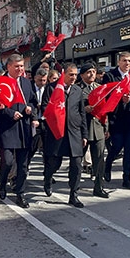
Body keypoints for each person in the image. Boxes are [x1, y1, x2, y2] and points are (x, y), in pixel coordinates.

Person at [0, 54, 38, 209]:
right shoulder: (0, 82)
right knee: (8, 161)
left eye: (22, 66)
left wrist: (31, 110)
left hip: (24, 127)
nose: (20, 69)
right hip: (7, 127)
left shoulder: (26, 83)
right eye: (17, 66)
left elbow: (33, 101)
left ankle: (20, 193)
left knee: (23, 165)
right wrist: (10, 113)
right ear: (8, 66)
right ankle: (2, 183)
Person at [42, 62, 88, 207]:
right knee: (54, 163)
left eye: (75, 75)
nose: (74, 77)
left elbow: (82, 113)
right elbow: (45, 108)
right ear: (64, 74)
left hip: (74, 132)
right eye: (71, 75)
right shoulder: (51, 88)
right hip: (57, 133)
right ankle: (48, 178)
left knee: (76, 165)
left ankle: (73, 195)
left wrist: (84, 134)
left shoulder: (77, 90)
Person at [103, 52, 130, 189]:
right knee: (117, 146)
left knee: (129, 149)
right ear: (119, 62)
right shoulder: (110, 76)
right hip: (116, 118)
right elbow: (107, 96)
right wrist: (120, 100)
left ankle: (127, 178)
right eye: (124, 61)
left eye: (129, 61)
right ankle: (108, 164)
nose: (127, 63)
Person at [78, 62, 109, 198]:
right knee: (77, 160)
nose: (91, 74)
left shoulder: (100, 88)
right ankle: (74, 186)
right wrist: (83, 110)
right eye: (88, 72)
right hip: (82, 129)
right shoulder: (77, 89)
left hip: (98, 128)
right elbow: (71, 109)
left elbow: (105, 110)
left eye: (93, 72)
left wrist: (107, 127)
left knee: (99, 160)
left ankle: (98, 186)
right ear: (82, 75)